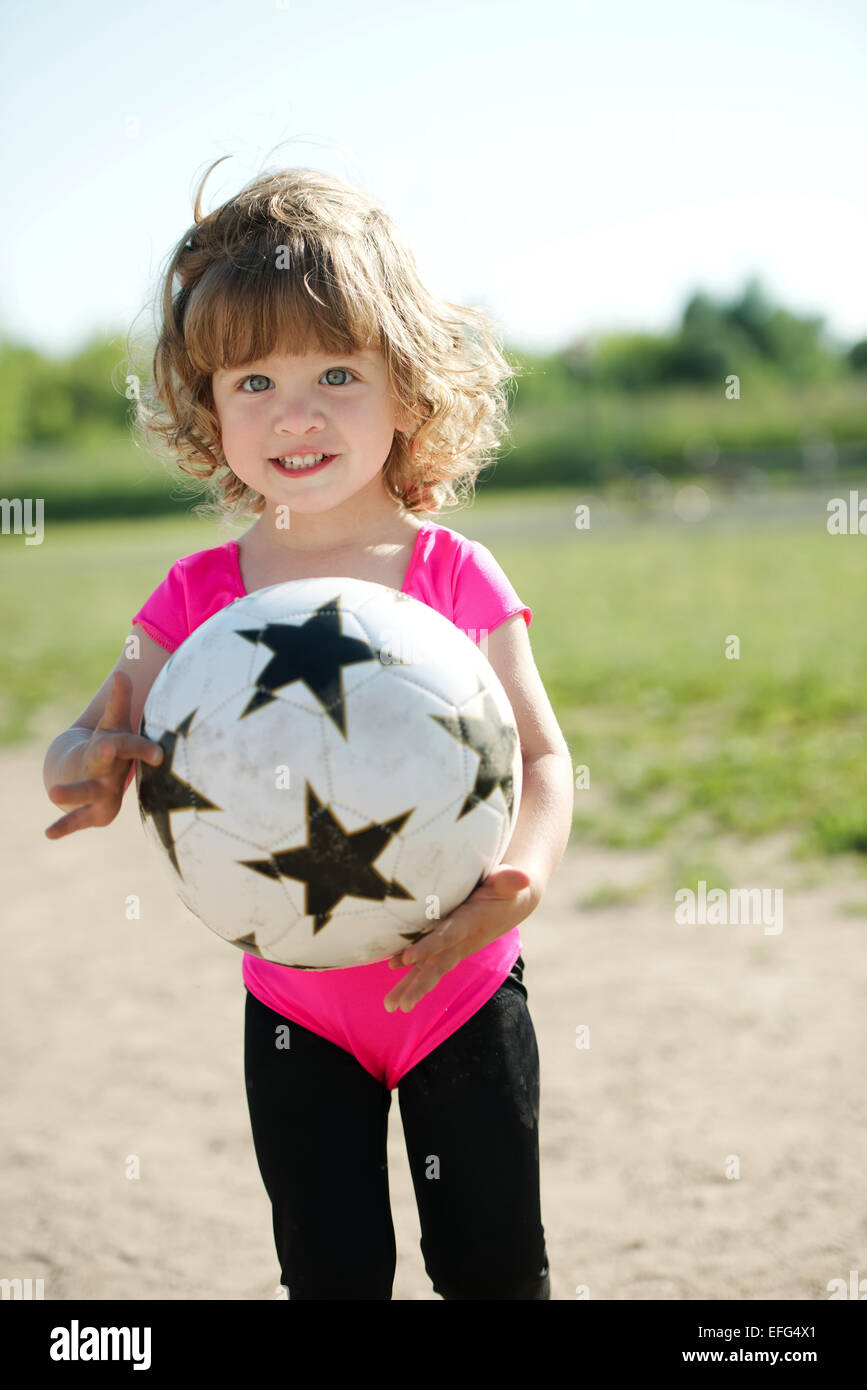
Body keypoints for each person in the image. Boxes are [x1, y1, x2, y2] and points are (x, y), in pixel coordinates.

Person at [42, 161, 575, 1300]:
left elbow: (540, 754)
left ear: (407, 385)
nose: (297, 412)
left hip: (463, 989)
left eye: (338, 371)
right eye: (253, 379)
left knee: (496, 1269)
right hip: (294, 1009)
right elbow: (79, 743)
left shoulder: (454, 573)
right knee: (329, 1275)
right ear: (209, 405)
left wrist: (522, 876)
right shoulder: (192, 601)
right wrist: (84, 768)